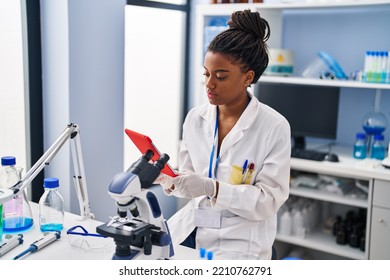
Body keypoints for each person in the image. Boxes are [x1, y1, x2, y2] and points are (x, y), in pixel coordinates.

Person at [155, 9, 291, 260]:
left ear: (247, 77)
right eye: (206, 73)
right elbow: (190, 183)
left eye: (220, 76)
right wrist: (169, 180)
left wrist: (213, 188)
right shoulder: (195, 119)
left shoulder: (274, 126)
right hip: (195, 229)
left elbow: (268, 201)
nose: (209, 84)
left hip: (243, 241)